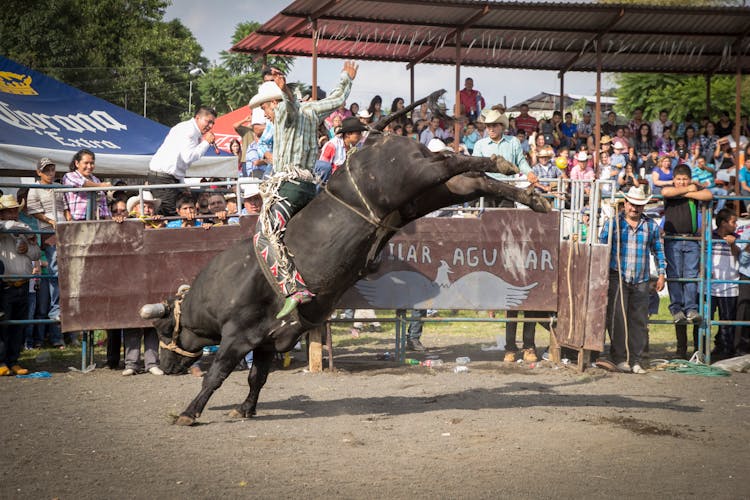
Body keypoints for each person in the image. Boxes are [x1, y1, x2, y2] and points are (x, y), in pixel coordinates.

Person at [248, 60, 358, 319]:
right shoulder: (313, 110)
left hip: (289, 187)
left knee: (263, 234)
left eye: (265, 107)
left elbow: (289, 108)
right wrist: (346, 77)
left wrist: (284, 91)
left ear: (273, 102)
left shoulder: (286, 110)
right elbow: (337, 98)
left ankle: (293, 288)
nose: (264, 114)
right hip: (310, 188)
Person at [599, 186, 666, 374]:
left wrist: (661, 274)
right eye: (632, 204)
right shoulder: (613, 224)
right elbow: (602, 248)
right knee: (617, 318)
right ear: (625, 203)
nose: (634, 208)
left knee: (638, 320)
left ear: (643, 206)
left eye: (639, 205)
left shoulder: (650, 225)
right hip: (617, 275)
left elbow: (658, 251)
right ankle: (620, 357)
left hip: (641, 278)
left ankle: (635, 358)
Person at [661, 164, 713, 354]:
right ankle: (676, 308)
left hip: (691, 241)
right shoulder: (669, 191)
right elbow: (666, 192)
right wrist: (687, 191)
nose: (682, 182)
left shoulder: (692, 189)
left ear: (690, 179)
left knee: (690, 276)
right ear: (674, 179)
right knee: (674, 276)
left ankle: (690, 308)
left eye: (685, 179)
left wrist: (688, 193)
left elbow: (708, 195)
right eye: (679, 179)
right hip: (673, 240)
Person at [120, 192, 164, 376]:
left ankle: (152, 362)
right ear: (134, 209)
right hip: (131, 277)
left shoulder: (161, 225)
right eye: (143, 205)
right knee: (132, 320)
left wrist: (159, 228)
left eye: (149, 206)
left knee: (153, 320)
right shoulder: (125, 225)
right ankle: (131, 363)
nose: (147, 209)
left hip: (155, 277)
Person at [148, 106, 217, 216]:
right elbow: (188, 157)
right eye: (208, 122)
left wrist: (181, 184)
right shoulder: (189, 131)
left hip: (169, 178)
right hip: (163, 179)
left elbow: (178, 163)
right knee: (172, 214)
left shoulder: (190, 130)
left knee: (183, 208)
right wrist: (206, 143)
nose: (210, 126)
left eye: (213, 123)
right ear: (198, 118)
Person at [0, 194, 42, 376]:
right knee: (3, 326)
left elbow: (36, 254)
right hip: (5, 285)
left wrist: (28, 247)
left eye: (14, 210)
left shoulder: (21, 230)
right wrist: (27, 230)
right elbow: (7, 226)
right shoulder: (5, 228)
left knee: (18, 326)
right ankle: (1, 361)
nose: (13, 213)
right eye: (9, 210)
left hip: (23, 284)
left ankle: (13, 360)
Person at [25, 158, 65, 326]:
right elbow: (34, 212)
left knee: (66, 269)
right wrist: (50, 222)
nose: (50, 173)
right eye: (46, 170)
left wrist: (68, 224)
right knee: (55, 268)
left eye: (52, 169)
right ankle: (55, 309)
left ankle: (63, 308)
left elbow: (66, 209)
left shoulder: (59, 187)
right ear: (39, 172)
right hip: (49, 230)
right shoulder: (34, 188)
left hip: (64, 228)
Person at [709, 208, 740, 361]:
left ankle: (726, 350)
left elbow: (740, 256)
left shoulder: (737, 238)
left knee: (727, 320)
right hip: (711, 285)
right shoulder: (710, 237)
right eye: (733, 222)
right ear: (723, 223)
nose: (736, 225)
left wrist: (733, 244)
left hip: (729, 285)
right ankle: (702, 349)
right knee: (706, 318)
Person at [62, 149, 112, 221]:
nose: (89, 166)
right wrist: (100, 186)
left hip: (98, 219)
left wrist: (108, 218)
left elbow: (103, 201)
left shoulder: (96, 179)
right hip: (79, 220)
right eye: (86, 163)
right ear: (77, 163)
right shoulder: (69, 176)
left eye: (92, 163)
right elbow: (82, 184)